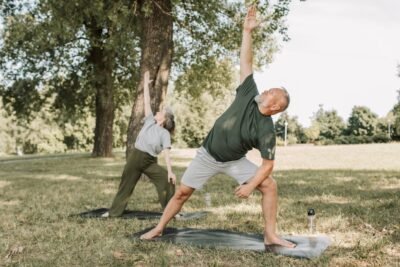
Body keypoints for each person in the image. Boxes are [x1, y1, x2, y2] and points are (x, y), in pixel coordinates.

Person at [140, 5, 295, 249]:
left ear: (275, 107)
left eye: (271, 92)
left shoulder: (266, 130)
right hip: (207, 154)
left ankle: (270, 235)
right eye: (269, 88)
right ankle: (159, 228)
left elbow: (268, 165)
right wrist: (247, 31)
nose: (266, 90)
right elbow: (246, 61)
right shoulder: (249, 93)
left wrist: (250, 186)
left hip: (233, 160)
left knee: (269, 185)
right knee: (182, 193)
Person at [102, 70, 176, 217]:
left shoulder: (164, 134)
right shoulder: (149, 121)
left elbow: (167, 153)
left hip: (149, 161)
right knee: (126, 184)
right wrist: (145, 82)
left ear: (164, 119)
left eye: (161, 112)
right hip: (136, 157)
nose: (158, 112)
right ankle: (113, 212)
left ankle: (171, 212)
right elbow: (147, 101)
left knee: (167, 180)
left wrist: (170, 171)